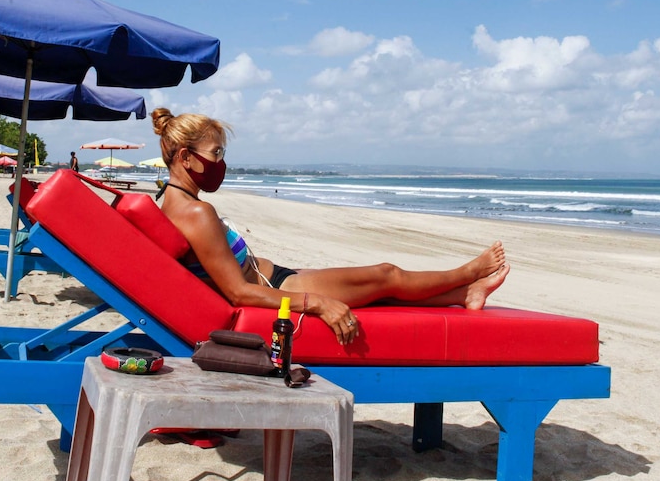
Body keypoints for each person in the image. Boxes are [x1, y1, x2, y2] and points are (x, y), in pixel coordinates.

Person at [152, 109, 510, 345]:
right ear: (185, 157)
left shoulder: (171, 202)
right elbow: (239, 294)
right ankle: (469, 272)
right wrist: (317, 304)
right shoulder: (197, 213)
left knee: (378, 292)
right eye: (216, 153)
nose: (221, 162)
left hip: (276, 278)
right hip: (281, 289)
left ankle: (464, 294)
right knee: (387, 275)